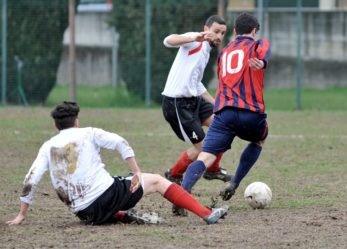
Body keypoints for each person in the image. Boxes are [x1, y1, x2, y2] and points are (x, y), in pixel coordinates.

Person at [6, 101, 228, 226]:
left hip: (83, 212)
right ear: (76, 121)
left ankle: (123, 216)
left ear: (56, 126)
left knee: (110, 188)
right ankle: (206, 213)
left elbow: (30, 179)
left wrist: (21, 215)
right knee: (158, 181)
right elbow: (121, 142)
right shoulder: (89, 132)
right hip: (106, 196)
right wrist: (137, 172)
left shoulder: (47, 146)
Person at [181, 13, 271, 201]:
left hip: (224, 114)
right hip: (251, 113)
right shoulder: (258, 43)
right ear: (254, 31)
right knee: (258, 141)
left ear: (235, 31)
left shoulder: (224, 52)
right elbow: (264, 52)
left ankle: (183, 193)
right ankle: (234, 183)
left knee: (205, 156)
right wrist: (261, 62)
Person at [161, 15, 232, 197]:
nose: (218, 36)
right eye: (216, 31)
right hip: (177, 103)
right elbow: (168, 41)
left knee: (224, 125)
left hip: (194, 100)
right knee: (204, 150)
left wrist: (217, 105)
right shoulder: (195, 41)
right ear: (205, 28)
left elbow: (197, 83)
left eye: (222, 33)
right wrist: (194, 37)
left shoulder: (206, 49)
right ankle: (177, 181)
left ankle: (211, 170)